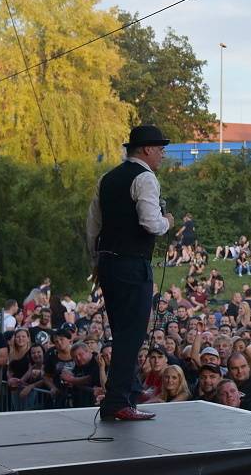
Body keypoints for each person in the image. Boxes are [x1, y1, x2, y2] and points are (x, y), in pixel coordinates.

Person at [86, 124, 174, 421]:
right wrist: (168, 221)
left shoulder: (107, 178)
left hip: (108, 262)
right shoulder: (145, 178)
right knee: (131, 334)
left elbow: (93, 225)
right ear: (147, 149)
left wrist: (96, 261)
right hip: (133, 264)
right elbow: (151, 223)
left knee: (122, 329)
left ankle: (130, 390)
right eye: (160, 149)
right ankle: (117, 401)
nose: (162, 154)